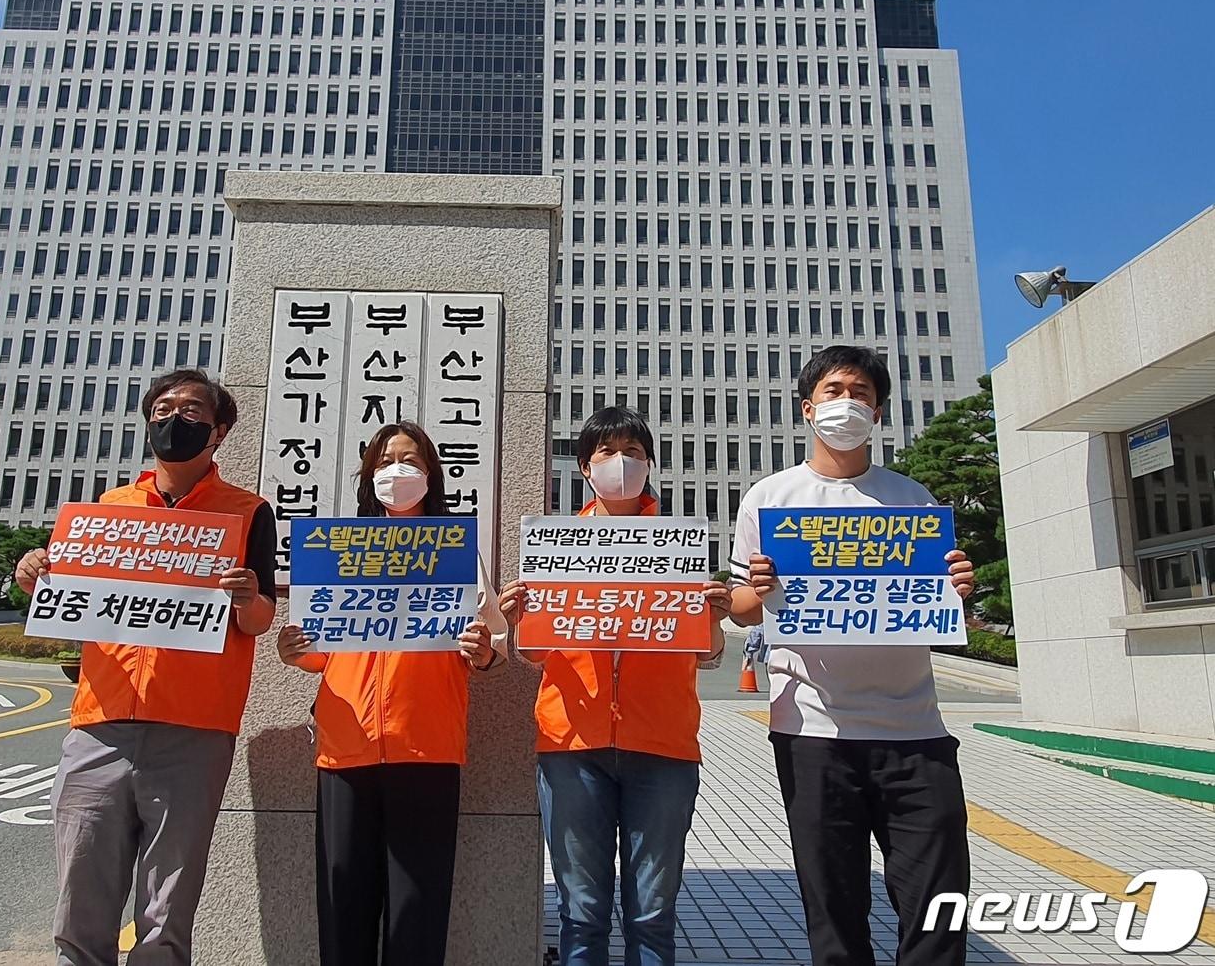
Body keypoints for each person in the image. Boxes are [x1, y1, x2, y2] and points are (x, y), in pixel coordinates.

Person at [14, 368, 277, 966]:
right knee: (82, 894)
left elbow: (260, 619)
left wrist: (246, 596)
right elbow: (69, 599)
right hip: (100, 721)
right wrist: (35, 571)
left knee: (168, 903)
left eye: (189, 411)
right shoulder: (108, 511)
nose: (172, 419)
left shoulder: (247, 511)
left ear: (220, 431)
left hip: (195, 729)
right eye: (162, 408)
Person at [727, 345, 976, 966]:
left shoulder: (912, 500)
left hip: (916, 730)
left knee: (938, 906)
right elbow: (738, 607)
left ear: (880, 410)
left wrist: (958, 592)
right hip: (813, 730)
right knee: (834, 907)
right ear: (807, 409)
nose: (847, 403)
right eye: (834, 392)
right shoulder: (771, 498)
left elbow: (939, 612)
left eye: (860, 393)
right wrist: (754, 592)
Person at [499, 406, 730, 966]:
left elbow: (708, 656)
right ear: (584, 467)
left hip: (664, 747)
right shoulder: (555, 549)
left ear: (649, 465)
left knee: (652, 914)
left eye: (633, 452)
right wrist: (515, 621)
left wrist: (714, 621)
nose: (621, 462)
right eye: (607, 452)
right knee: (582, 912)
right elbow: (531, 654)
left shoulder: (679, 548)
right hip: (572, 747)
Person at [276, 420, 507, 966]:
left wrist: (485, 651)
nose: (397, 471)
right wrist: (294, 649)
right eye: (384, 462)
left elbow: (492, 641)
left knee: (417, 908)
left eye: (411, 461)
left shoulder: (455, 550)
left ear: (431, 475)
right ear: (367, 476)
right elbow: (320, 647)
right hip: (345, 745)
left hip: (426, 744)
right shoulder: (340, 549)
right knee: (343, 904)